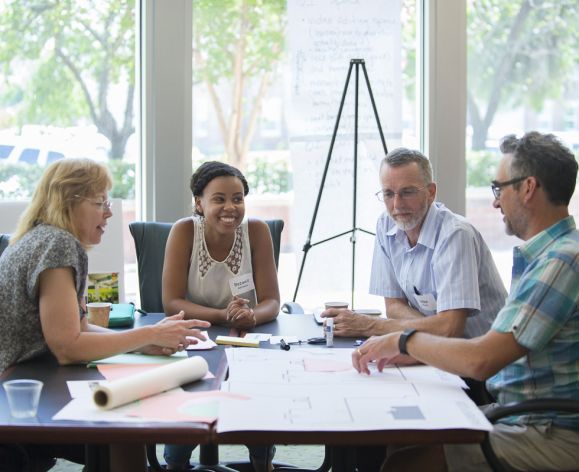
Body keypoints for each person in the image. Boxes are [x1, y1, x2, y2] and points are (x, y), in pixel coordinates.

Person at [353, 131, 579, 471]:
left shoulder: (560, 263)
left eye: (499, 188)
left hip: (547, 428)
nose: (495, 202)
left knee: (404, 465)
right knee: (406, 432)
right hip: (518, 411)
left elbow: (481, 361)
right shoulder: (549, 255)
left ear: (528, 188)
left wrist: (404, 340)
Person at [0, 158, 210, 471]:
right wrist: (149, 334)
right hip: (15, 399)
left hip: (19, 383)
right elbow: (68, 347)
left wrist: (139, 343)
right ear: (67, 203)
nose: (109, 212)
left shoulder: (40, 238)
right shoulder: (57, 245)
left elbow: (80, 327)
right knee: (126, 434)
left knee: (124, 431)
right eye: (100, 203)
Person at [322, 147, 507, 344]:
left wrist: (370, 325)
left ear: (431, 192)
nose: (397, 205)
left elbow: (451, 329)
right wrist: (433, 327)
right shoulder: (386, 224)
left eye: (407, 192)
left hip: (480, 362)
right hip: (438, 350)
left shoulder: (455, 235)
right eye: (388, 194)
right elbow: (393, 306)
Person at [162, 161, 279, 471]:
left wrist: (251, 316)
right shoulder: (184, 230)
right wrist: (222, 315)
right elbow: (171, 302)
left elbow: (273, 301)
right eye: (219, 199)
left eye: (238, 198)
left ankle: (262, 461)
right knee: (192, 395)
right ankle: (176, 463)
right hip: (195, 338)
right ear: (199, 203)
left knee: (253, 391)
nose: (231, 207)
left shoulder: (256, 230)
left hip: (247, 340)